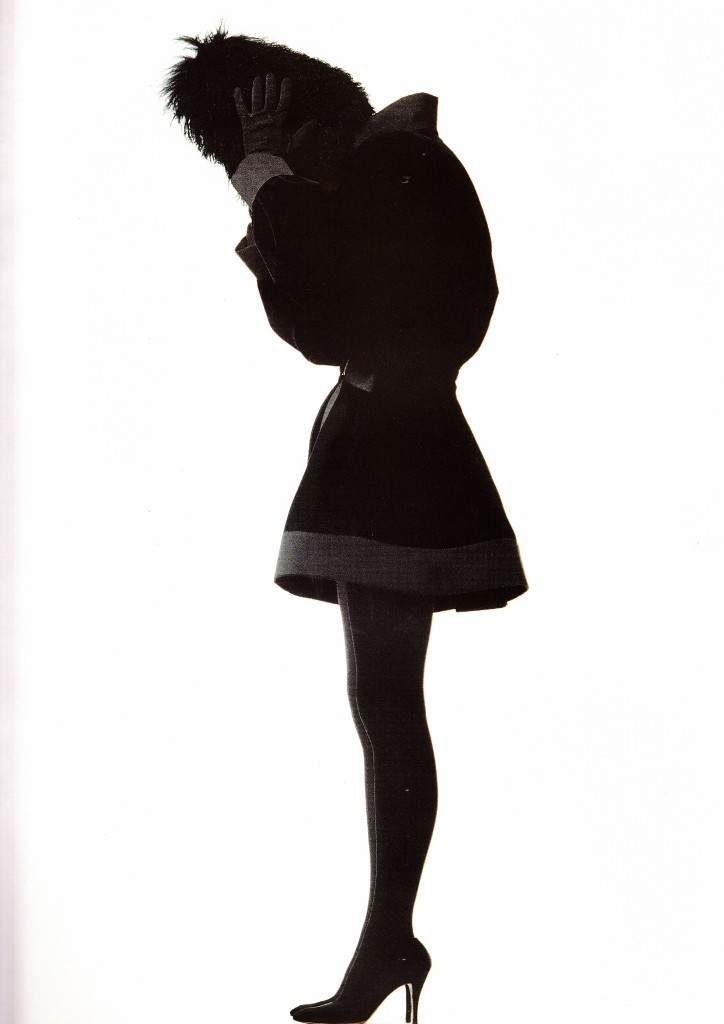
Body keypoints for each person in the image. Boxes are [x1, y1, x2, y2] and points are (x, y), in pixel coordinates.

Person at [164, 29, 527, 1024]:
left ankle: (388, 939)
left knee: (387, 705)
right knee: (380, 702)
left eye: (275, 143)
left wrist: (272, 188)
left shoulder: (400, 163)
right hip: (378, 441)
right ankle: (388, 938)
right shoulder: (374, 175)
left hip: (400, 448)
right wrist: (272, 193)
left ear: (307, 118)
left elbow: (356, 314)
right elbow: (321, 329)